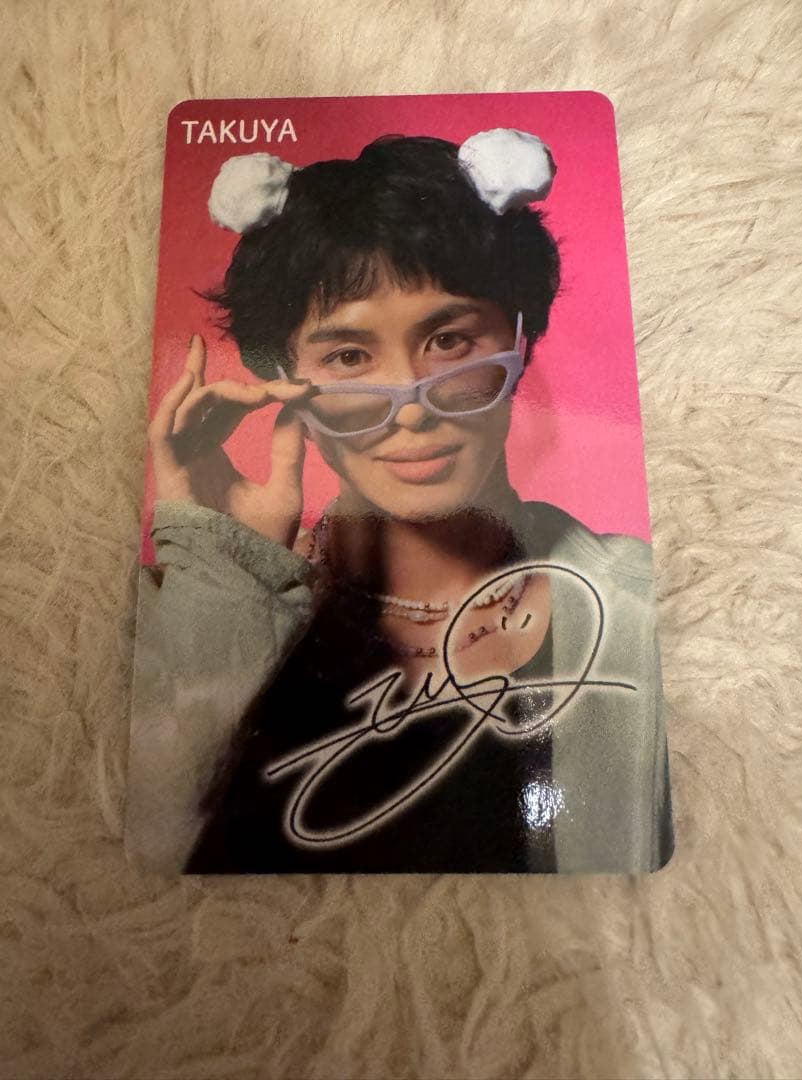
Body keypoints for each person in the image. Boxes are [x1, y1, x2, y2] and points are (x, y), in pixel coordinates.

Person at [126, 132, 673, 874]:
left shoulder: (639, 608)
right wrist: (225, 574)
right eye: (349, 357)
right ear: (283, 375)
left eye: (449, 342)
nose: (410, 407)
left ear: (521, 342)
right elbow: (139, 861)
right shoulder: (192, 603)